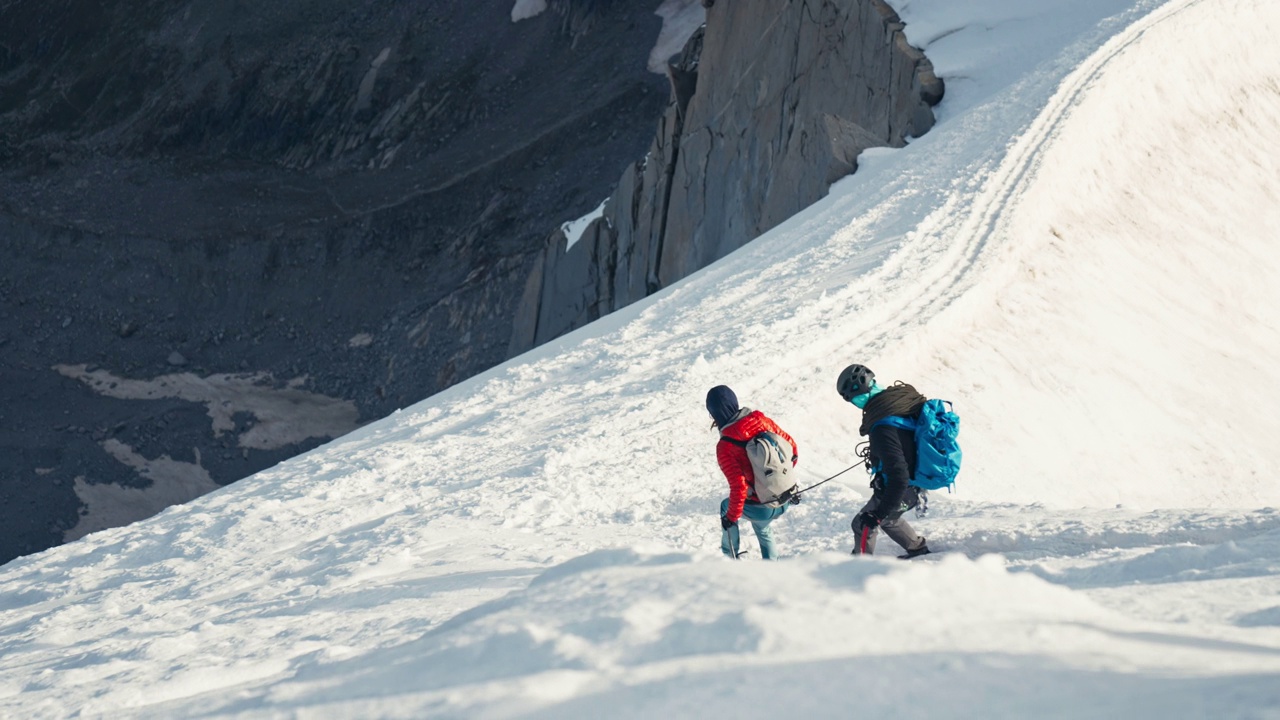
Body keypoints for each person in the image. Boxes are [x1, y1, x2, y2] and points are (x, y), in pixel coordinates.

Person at [836, 364, 932, 558]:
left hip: (901, 489)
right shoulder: (896, 406)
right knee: (890, 520)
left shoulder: (883, 427)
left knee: (864, 523)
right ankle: (917, 549)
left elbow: (899, 475)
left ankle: (858, 570)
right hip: (913, 486)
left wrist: (878, 514)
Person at [707, 385, 799, 560]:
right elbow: (792, 450)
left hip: (763, 508)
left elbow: (739, 488)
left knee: (726, 508)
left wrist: (731, 518)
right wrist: (778, 482)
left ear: (714, 414)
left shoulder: (726, 446)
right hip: (786, 498)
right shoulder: (762, 421)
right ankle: (771, 564)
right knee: (762, 527)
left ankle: (729, 557)